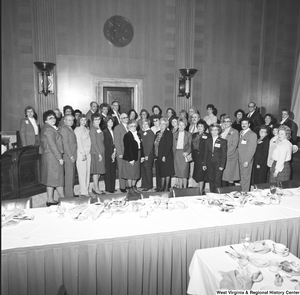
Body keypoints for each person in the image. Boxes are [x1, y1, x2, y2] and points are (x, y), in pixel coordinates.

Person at [39, 110, 65, 206]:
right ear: (45, 120)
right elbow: (52, 145)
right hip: (53, 157)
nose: (53, 119)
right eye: (50, 118)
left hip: (48, 156)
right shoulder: (49, 129)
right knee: (58, 179)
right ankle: (64, 199)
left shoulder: (47, 127)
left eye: (54, 117)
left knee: (50, 179)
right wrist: (59, 158)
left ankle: (50, 200)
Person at [121, 119, 145, 196]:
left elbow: (141, 146)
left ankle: (134, 188)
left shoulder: (138, 135)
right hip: (130, 157)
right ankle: (130, 189)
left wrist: (142, 156)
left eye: (135, 126)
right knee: (130, 174)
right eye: (131, 126)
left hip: (137, 154)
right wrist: (131, 159)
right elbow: (127, 148)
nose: (133, 127)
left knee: (135, 173)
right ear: (128, 127)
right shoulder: (127, 135)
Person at [203, 124, 227, 193]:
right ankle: (212, 194)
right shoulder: (208, 141)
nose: (214, 132)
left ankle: (217, 195)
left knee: (217, 180)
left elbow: (224, 154)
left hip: (218, 163)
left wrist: (222, 165)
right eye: (212, 130)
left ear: (219, 131)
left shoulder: (223, 141)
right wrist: (204, 164)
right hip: (210, 162)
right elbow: (205, 153)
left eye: (216, 130)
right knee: (211, 179)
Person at [59, 115, 77, 198]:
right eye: (69, 120)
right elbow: (65, 144)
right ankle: (69, 197)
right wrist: (71, 156)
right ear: (64, 121)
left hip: (73, 154)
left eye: (72, 120)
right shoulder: (64, 129)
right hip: (68, 156)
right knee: (69, 177)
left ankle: (71, 193)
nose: (71, 122)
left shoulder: (69, 128)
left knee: (72, 176)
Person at [154, 118, 174, 191]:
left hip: (166, 156)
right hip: (158, 155)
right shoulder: (157, 133)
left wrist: (164, 156)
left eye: (163, 124)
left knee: (167, 172)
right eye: (161, 124)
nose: (162, 125)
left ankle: (166, 187)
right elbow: (155, 145)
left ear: (166, 125)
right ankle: (162, 186)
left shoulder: (168, 133)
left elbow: (169, 145)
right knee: (162, 171)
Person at [237, 118, 257, 192]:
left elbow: (251, 149)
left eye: (245, 123)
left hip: (245, 159)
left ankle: (245, 193)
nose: (244, 125)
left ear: (249, 124)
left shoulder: (252, 135)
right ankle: (242, 192)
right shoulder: (241, 132)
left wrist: (247, 160)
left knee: (245, 178)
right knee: (241, 178)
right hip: (239, 158)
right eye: (242, 124)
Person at [74, 114, 91, 197]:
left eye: (85, 120)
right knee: (82, 173)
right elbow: (79, 143)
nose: (84, 122)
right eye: (82, 120)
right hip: (81, 154)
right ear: (79, 121)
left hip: (88, 153)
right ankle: (83, 191)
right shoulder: (77, 130)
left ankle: (86, 190)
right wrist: (83, 153)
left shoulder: (87, 129)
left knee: (87, 172)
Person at [221, 115, 240, 186]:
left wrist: (225, 154)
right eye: (224, 121)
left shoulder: (235, 132)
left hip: (230, 157)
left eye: (228, 121)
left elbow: (234, 145)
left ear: (231, 122)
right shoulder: (220, 131)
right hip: (222, 158)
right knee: (223, 178)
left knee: (230, 178)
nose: (226, 123)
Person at [173, 118, 192, 188]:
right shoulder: (174, 134)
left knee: (184, 173)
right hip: (177, 154)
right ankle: (180, 188)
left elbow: (190, 145)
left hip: (184, 154)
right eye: (179, 125)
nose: (181, 126)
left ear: (185, 126)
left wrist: (187, 152)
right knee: (179, 173)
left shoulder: (188, 134)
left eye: (183, 125)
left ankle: (185, 188)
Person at [191, 119, 209, 194]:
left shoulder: (207, 136)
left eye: (201, 126)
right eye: (198, 126)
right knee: (197, 175)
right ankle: (199, 189)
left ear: (204, 127)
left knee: (201, 175)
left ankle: (201, 190)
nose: (200, 127)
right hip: (195, 157)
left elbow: (207, 148)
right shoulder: (194, 135)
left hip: (203, 157)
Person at [89, 113, 106, 195]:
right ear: (92, 120)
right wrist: (99, 154)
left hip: (101, 151)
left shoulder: (98, 127)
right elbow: (94, 143)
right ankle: (96, 189)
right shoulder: (92, 129)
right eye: (96, 119)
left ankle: (94, 187)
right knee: (96, 171)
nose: (98, 121)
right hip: (96, 152)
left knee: (99, 171)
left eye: (99, 119)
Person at [114, 113, 129, 193]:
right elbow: (116, 141)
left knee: (127, 169)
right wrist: (119, 152)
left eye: (126, 117)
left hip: (128, 152)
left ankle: (127, 185)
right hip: (122, 152)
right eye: (124, 118)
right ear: (120, 119)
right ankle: (122, 186)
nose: (126, 119)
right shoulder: (118, 127)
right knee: (121, 169)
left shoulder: (130, 126)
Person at [139, 120, 155, 191]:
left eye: (146, 124)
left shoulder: (150, 132)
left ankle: (149, 185)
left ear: (149, 125)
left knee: (148, 170)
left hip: (148, 154)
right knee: (143, 170)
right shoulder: (141, 132)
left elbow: (150, 145)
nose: (144, 125)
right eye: (143, 124)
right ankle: (144, 184)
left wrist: (147, 155)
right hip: (142, 154)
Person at [103, 116, 117, 193]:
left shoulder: (113, 130)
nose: (110, 123)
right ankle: (108, 188)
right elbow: (107, 144)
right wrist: (111, 154)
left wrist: (114, 152)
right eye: (109, 122)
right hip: (108, 153)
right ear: (106, 123)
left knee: (113, 170)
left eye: (111, 122)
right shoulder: (105, 132)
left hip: (113, 152)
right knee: (108, 171)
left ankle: (112, 186)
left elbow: (114, 142)